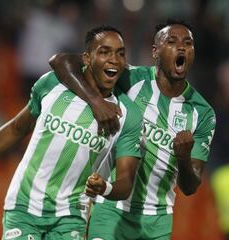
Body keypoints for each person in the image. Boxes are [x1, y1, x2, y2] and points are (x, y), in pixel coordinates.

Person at [0, 25, 143, 240]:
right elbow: (16, 128)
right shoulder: (52, 84)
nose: (114, 59)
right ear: (87, 58)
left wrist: (105, 187)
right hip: (24, 204)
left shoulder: (128, 114)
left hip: (71, 214)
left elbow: (126, 182)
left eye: (120, 53)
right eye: (105, 52)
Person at [49, 19, 217, 240]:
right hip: (111, 208)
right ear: (155, 51)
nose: (181, 47)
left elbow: (190, 187)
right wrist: (96, 102)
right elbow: (61, 61)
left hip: (157, 222)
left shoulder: (203, 113)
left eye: (188, 43)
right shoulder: (130, 79)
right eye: (172, 41)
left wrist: (183, 157)